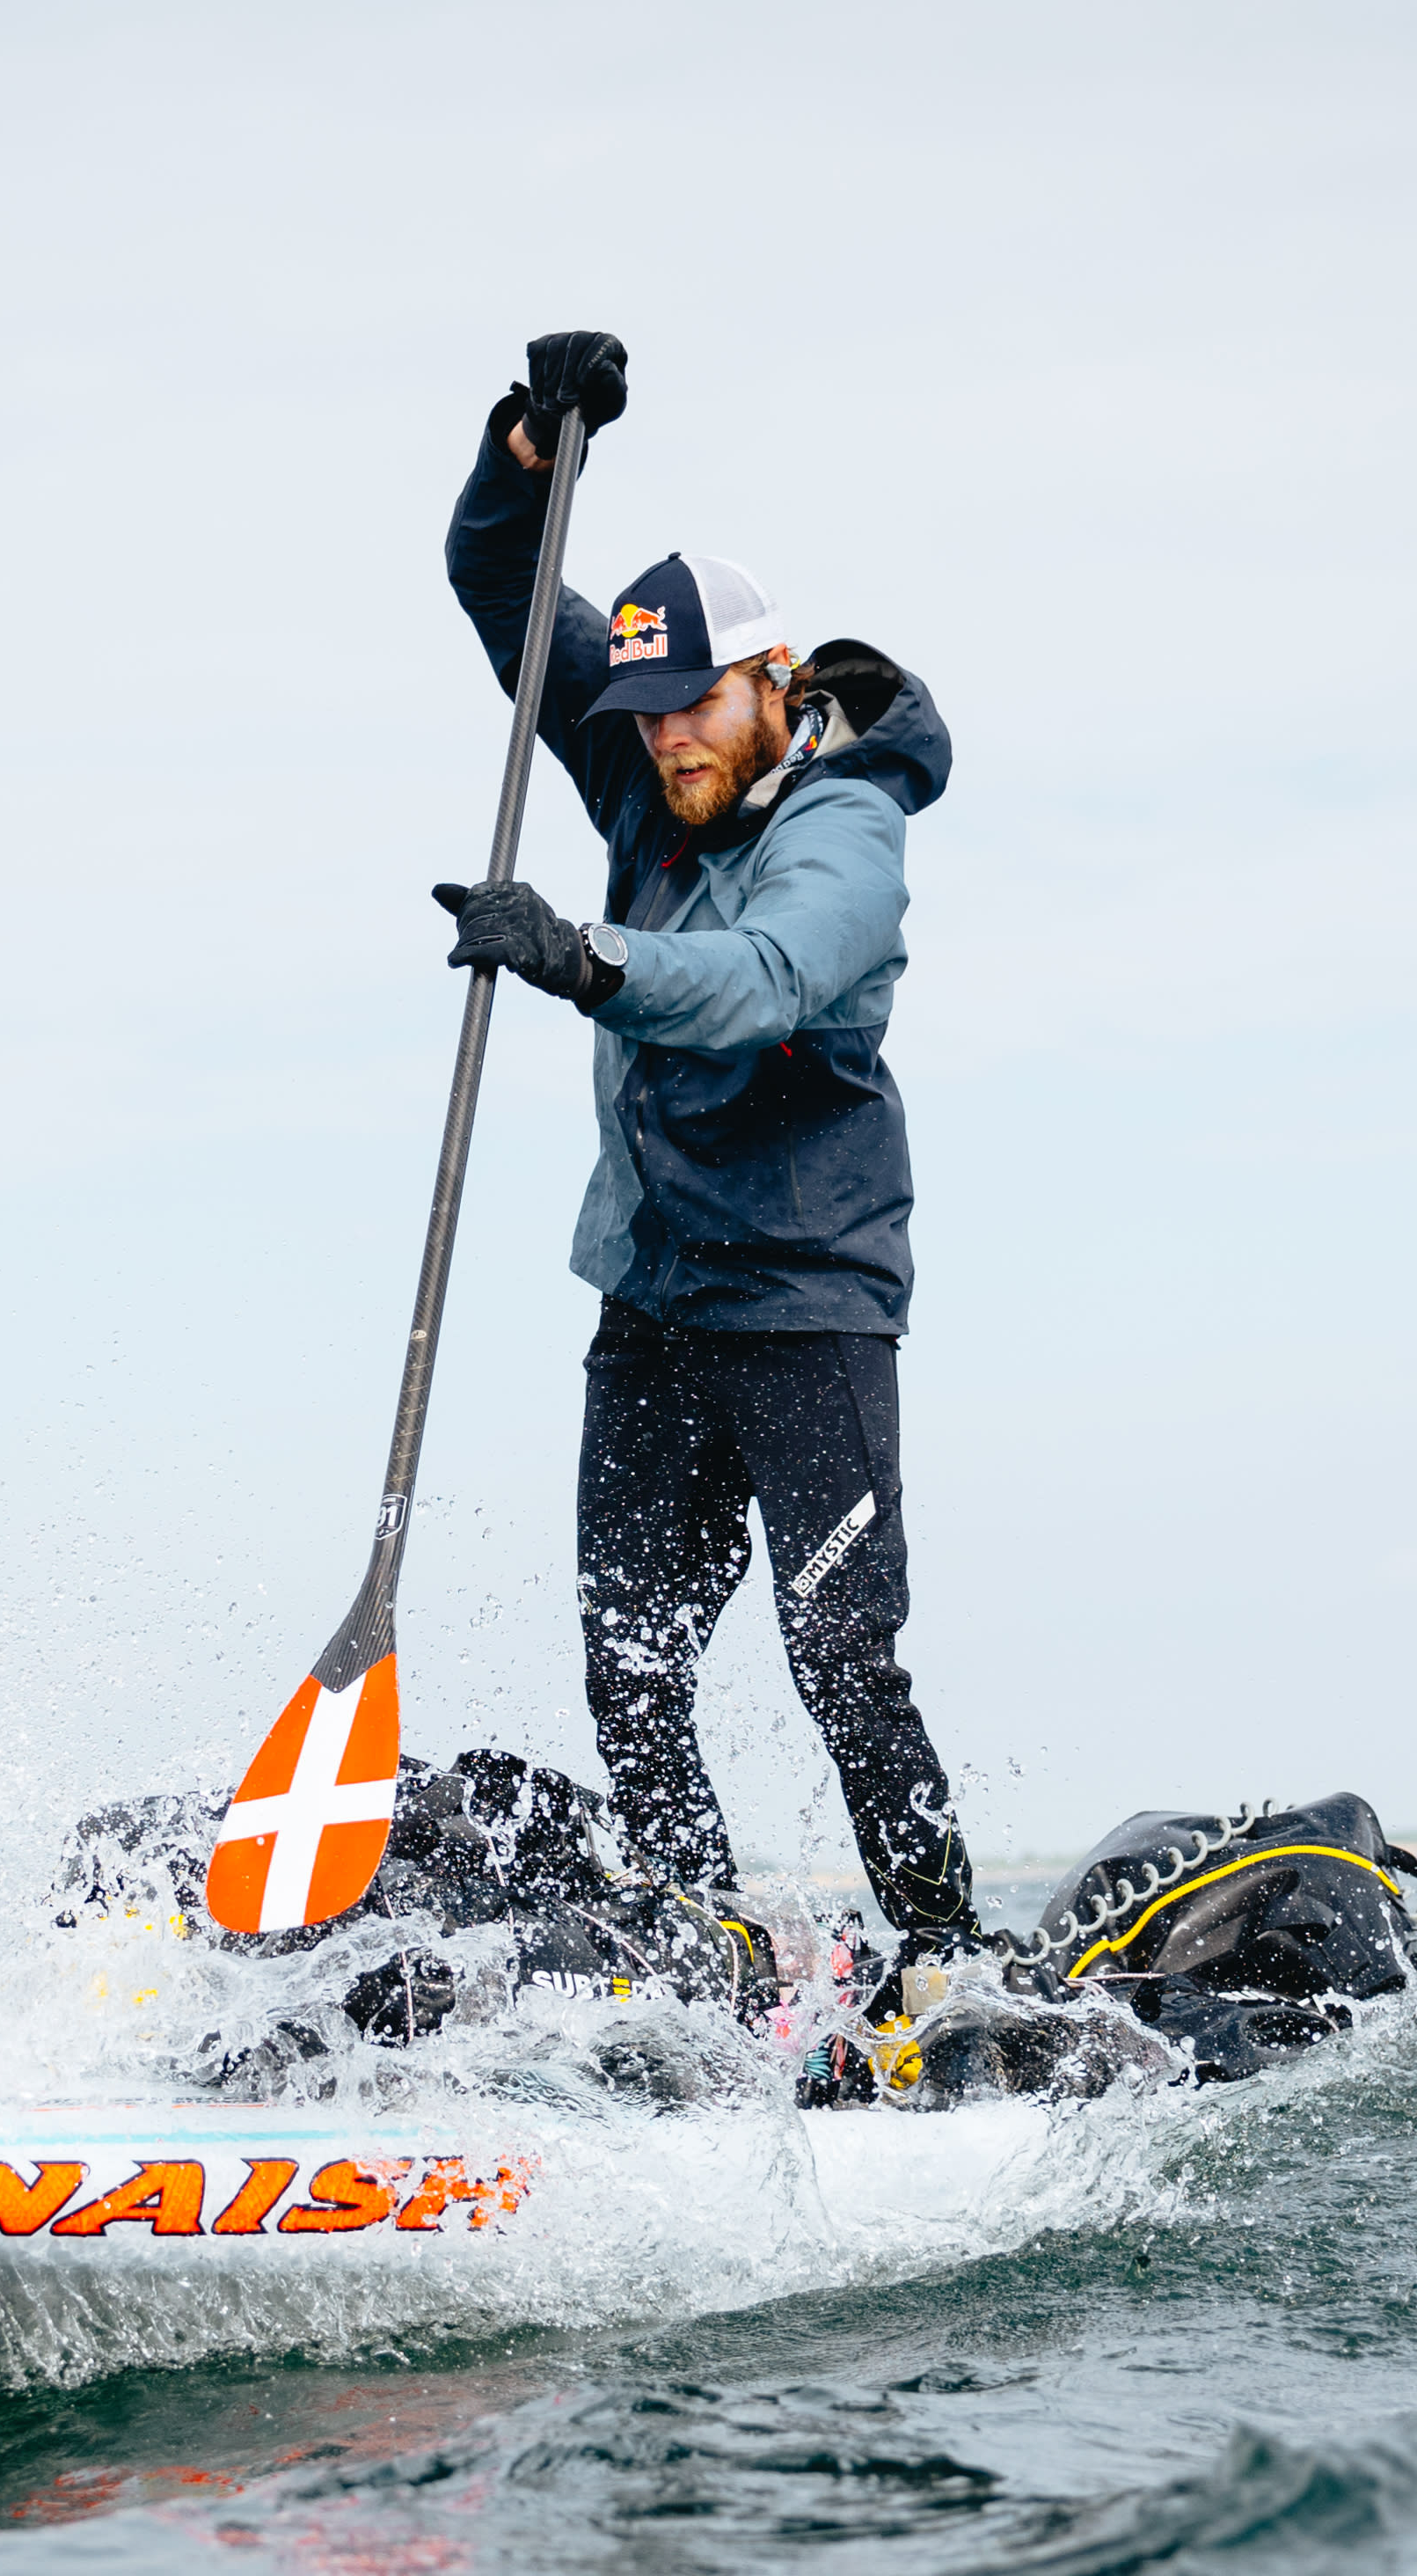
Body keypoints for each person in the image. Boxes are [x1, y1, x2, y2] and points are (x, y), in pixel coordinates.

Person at [434, 327, 988, 2007]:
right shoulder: (641, 765)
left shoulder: (845, 826)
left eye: (693, 706)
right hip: (656, 1302)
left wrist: (584, 960)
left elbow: (757, 980)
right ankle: (709, 1968)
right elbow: (499, 590)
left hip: (805, 1305)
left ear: (772, 681)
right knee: (630, 1662)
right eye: (646, 709)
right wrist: (527, 449)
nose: (665, 738)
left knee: (841, 1664)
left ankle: (957, 1968)